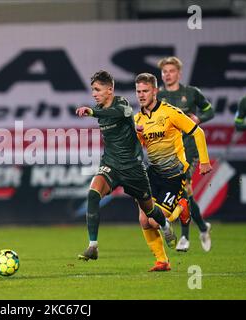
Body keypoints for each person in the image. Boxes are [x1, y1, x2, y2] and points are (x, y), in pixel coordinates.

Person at [75, 70, 178, 270]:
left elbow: (119, 114)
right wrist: (133, 127)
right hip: (111, 164)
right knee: (93, 193)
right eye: (93, 90)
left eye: (98, 89)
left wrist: (92, 112)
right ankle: (93, 246)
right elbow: (123, 121)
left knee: (150, 212)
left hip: (133, 169)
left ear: (110, 90)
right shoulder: (100, 109)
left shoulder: (121, 104)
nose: (94, 94)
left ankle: (165, 226)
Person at [134, 73, 212, 270]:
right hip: (152, 173)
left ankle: (182, 206)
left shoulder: (171, 112)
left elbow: (198, 132)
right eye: (138, 91)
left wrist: (204, 162)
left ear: (155, 91)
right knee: (144, 219)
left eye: (145, 91)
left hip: (174, 175)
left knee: (154, 221)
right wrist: (137, 136)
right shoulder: (138, 119)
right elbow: (142, 146)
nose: (141, 95)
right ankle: (162, 261)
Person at [157, 56, 214, 252]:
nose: (167, 74)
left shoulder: (191, 93)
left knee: (184, 189)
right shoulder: (158, 96)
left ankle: (184, 238)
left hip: (189, 149)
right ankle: (203, 227)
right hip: (168, 151)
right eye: (164, 71)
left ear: (179, 73)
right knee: (184, 194)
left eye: (171, 71)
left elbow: (209, 110)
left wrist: (199, 118)